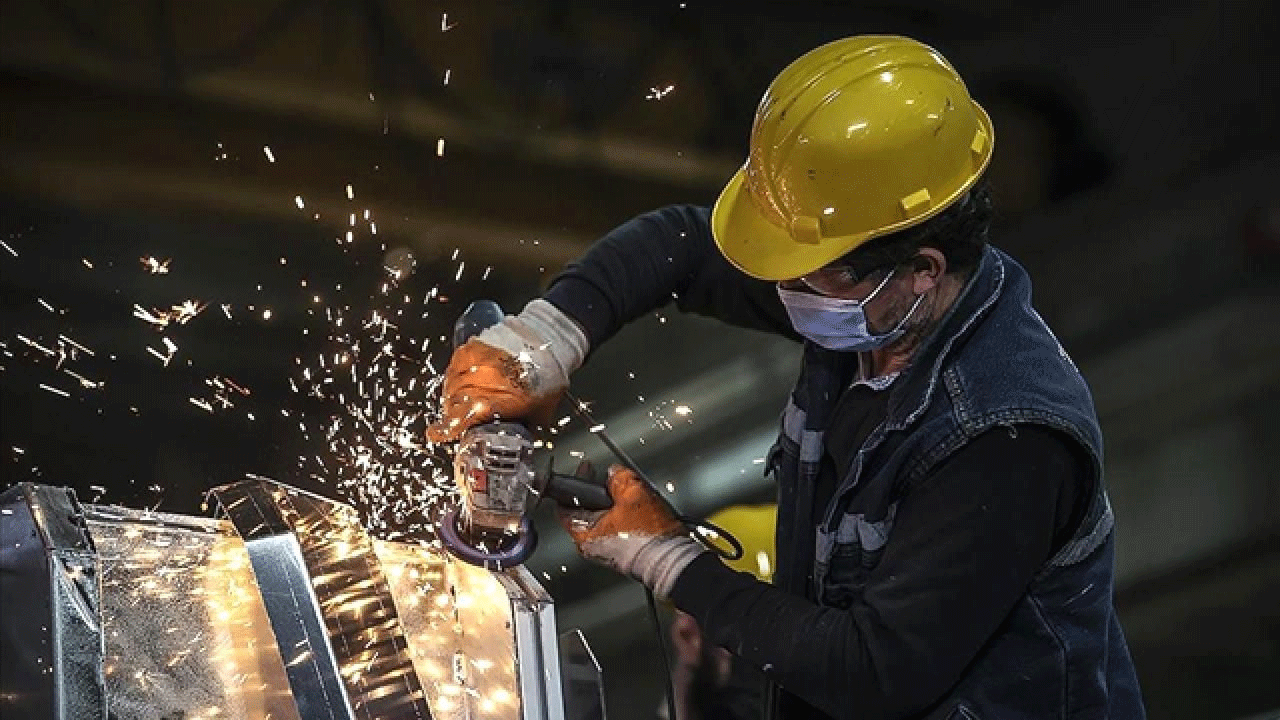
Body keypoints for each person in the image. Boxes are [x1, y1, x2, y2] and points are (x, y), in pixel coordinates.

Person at [428, 35, 1145, 720]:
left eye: (811, 276)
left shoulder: (1005, 436)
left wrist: (669, 559)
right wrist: (547, 335)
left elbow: (871, 672)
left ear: (921, 270)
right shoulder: (869, 299)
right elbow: (678, 244)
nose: (787, 291)